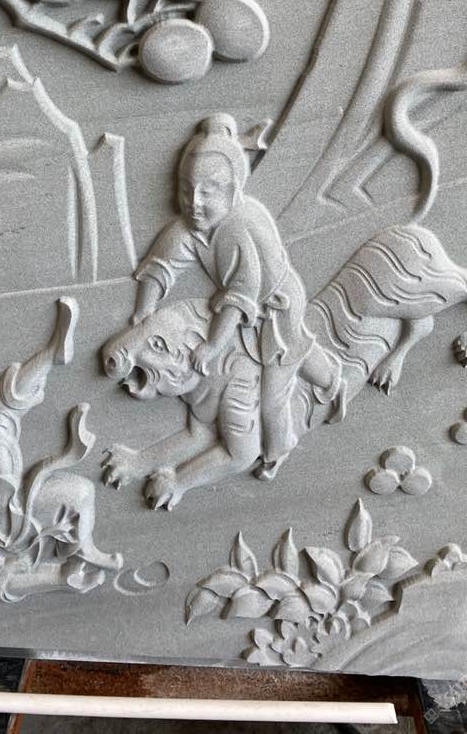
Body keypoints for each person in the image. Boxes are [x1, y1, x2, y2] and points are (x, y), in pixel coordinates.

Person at [133, 114, 339, 480]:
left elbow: (239, 297)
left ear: (231, 191)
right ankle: (331, 380)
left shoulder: (237, 228)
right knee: (296, 351)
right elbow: (161, 266)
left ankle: (278, 449)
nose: (194, 202)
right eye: (186, 190)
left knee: (273, 394)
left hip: (277, 310)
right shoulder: (192, 226)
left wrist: (213, 346)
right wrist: (143, 314)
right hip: (247, 310)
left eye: (208, 192)